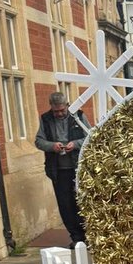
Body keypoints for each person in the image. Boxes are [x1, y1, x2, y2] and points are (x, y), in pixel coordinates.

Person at [34, 92, 89, 246]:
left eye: (62, 110)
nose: (59, 114)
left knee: (82, 202)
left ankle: (89, 235)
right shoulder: (46, 119)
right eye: (55, 111)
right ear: (51, 107)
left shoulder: (78, 116)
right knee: (65, 205)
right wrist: (52, 146)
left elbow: (90, 136)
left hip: (79, 168)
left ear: (67, 105)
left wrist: (75, 144)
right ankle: (77, 238)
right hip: (58, 170)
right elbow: (38, 141)